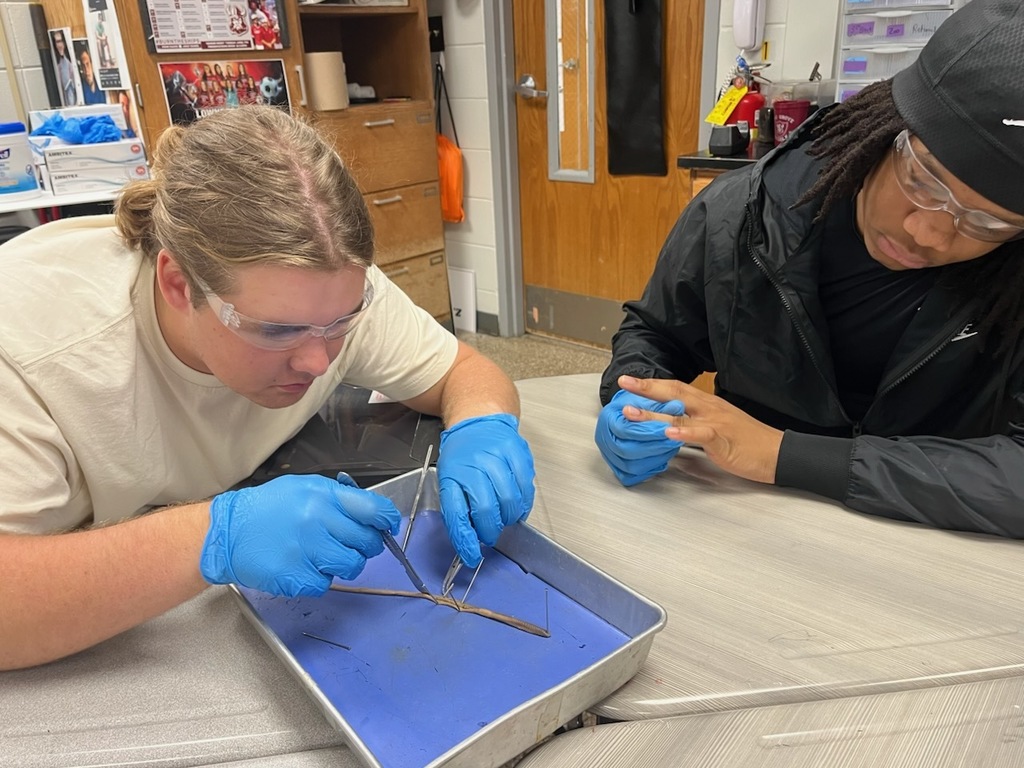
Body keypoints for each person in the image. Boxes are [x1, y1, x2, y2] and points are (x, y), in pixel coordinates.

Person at [0, 105, 535, 670]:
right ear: (178, 284)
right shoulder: (31, 349)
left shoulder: (322, 289)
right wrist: (212, 537)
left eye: (341, 323)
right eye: (277, 331)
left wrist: (483, 424)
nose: (319, 360)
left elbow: (464, 371)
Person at [595, 0, 1024, 538]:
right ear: (889, 127)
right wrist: (635, 399)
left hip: (932, 538)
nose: (928, 233)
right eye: (923, 181)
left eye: (987, 222)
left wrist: (784, 455)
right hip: (744, 517)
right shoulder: (743, 215)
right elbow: (659, 333)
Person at [51, 30, 76, 107]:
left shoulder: (70, 60)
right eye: (57, 42)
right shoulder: (57, 63)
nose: (59, 45)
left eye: (61, 41)